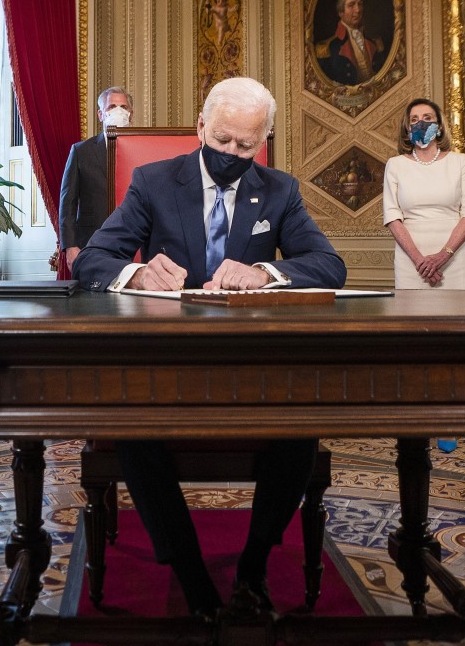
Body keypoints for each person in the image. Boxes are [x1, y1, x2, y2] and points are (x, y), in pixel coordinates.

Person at [74, 77, 346, 617]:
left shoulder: (279, 190)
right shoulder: (153, 182)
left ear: (262, 142)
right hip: (164, 363)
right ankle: (192, 578)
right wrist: (137, 273)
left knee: (300, 431)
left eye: (246, 146)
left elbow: (328, 265)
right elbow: (91, 260)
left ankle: (253, 566)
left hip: (252, 365)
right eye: (222, 140)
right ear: (201, 127)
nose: (231, 154)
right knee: (134, 435)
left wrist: (266, 271)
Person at [383, 98, 465, 290]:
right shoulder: (395, 165)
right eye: (414, 119)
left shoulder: (461, 162)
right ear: (408, 128)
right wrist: (420, 261)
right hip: (411, 261)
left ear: (439, 127)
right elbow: (392, 217)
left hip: (454, 258)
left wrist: (443, 256)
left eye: (427, 118)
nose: (421, 123)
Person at [58, 86, 134, 273]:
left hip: (133, 240)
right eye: (112, 107)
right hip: (91, 242)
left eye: (124, 107)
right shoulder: (81, 151)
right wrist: (70, 246)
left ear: (131, 115)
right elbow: (67, 203)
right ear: (101, 115)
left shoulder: (143, 149)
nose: (118, 112)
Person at [316, 0, 385, 85]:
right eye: (351, 5)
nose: (358, 10)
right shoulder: (327, 48)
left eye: (360, 4)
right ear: (341, 12)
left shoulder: (375, 42)